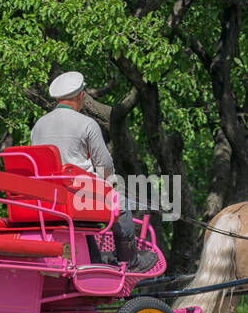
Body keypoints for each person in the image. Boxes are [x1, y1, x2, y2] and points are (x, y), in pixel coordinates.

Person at [31, 72, 157, 273]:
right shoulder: (86, 124)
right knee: (120, 206)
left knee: (88, 213)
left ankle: (94, 257)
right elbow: (104, 163)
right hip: (76, 197)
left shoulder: (39, 125)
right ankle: (131, 261)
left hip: (47, 198)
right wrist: (110, 184)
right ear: (80, 96)